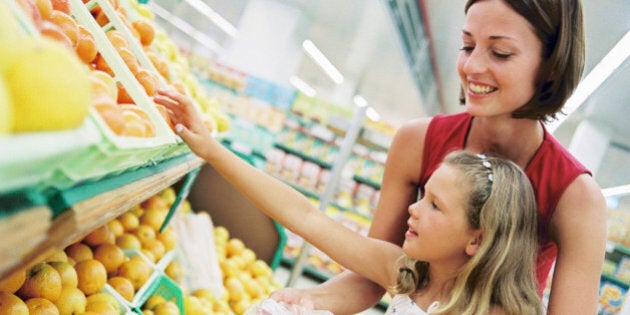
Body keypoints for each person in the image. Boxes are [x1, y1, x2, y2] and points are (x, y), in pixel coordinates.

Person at [266, 0, 608, 314]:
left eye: (500, 53)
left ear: (551, 65)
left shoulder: (575, 196)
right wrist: (308, 301)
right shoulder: (417, 141)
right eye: (468, 45)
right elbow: (372, 274)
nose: (473, 66)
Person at [155, 88, 542, 314]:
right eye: (424, 197)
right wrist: (212, 150)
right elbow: (306, 217)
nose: (414, 208)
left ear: (476, 239)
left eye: (435, 206)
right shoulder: (408, 273)